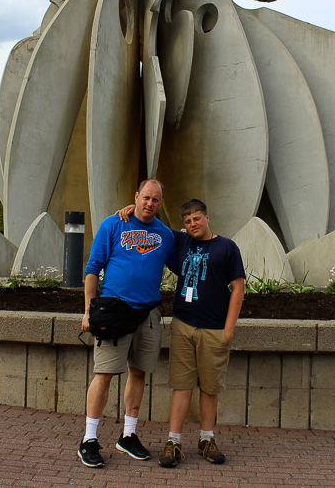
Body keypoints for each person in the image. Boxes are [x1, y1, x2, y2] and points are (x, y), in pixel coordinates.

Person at [118, 198, 245, 468]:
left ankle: (206, 439)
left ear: (207, 217)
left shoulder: (227, 247)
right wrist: (132, 208)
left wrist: (228, 330)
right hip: (184, 326)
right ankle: (173, 441)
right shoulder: (181, 240)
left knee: (210, 387)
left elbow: (238, 287)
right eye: (187, 221)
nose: (192, 225)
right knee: (182, 384)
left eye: (196, 219)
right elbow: (152, 223)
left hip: (214, 329)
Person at [78, 179, 175, 469]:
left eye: (156, 200)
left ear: (160, 203)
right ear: (136, 197)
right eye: (145, 198)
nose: (150, 204)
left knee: (139, 373)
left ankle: (128, 434)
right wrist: (88, 312)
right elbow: (93, 269)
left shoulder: (166, 235)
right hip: (114, 312)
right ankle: (89, 438)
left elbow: (185, 256)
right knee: (104, 374)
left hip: (148, 313)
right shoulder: (113, 224)